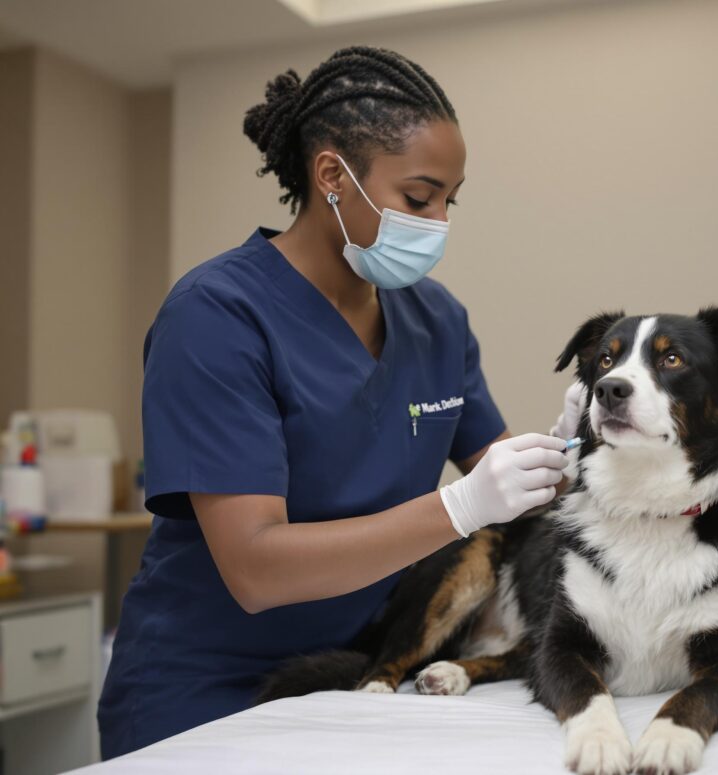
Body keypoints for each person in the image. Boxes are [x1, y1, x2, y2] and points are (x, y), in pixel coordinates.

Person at [98, 46, 583, 759]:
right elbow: (256, 567)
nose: (441, 221)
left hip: (354, 674)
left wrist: (572, 452)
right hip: (204, 687)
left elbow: (510, 488)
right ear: (332, 174)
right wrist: (459, 507)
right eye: (420, 199)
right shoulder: (217, 316)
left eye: (452, 199)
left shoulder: (436, 321)